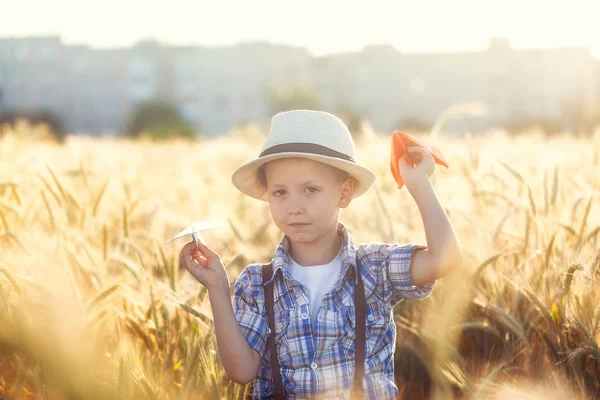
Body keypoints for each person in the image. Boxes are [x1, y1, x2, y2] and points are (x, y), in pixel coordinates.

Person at [179, 110, 463, 399]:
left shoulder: (375, 268)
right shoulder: (255, 283)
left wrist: (418, 183)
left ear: (344, 193)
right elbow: (241, 372)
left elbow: (446, 258)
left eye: (310, 190)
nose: (294, 206)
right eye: (280, 192)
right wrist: (216, 287)